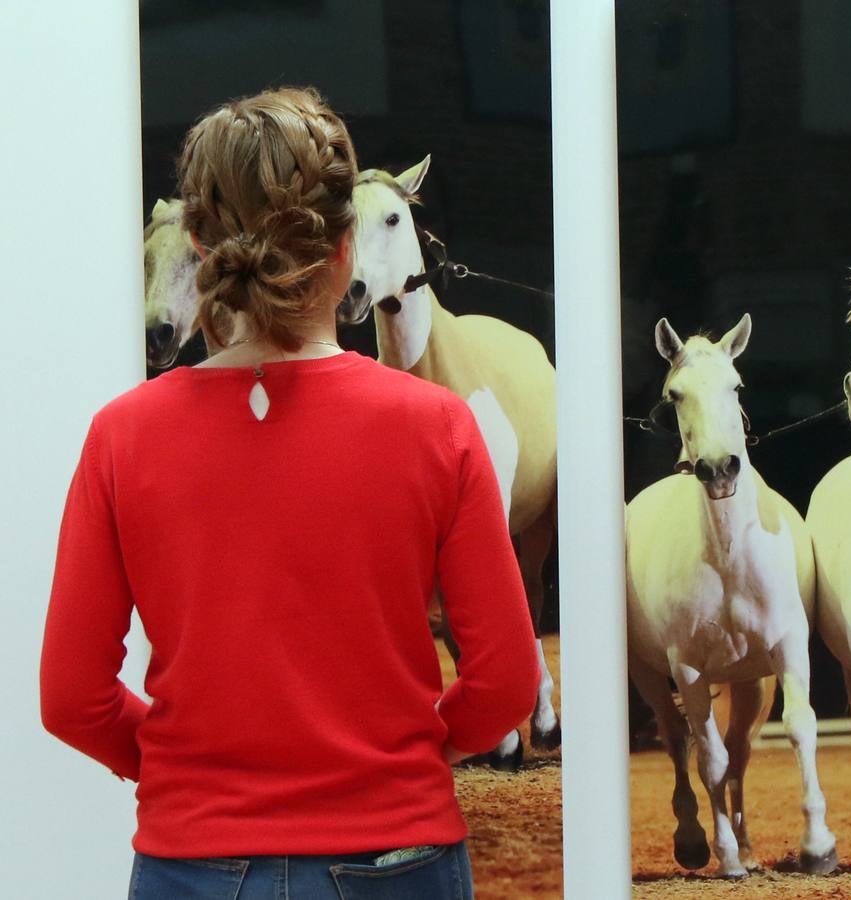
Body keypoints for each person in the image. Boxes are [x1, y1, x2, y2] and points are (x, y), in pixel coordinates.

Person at [38, 87, 540, 899]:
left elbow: (71, 699)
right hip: (396, 852)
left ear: (198, 245)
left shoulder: (121, 437)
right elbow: (508, 683)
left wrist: (180, 772)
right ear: (345, 246)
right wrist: (403, 756)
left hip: (193, 858)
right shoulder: (439, 428)